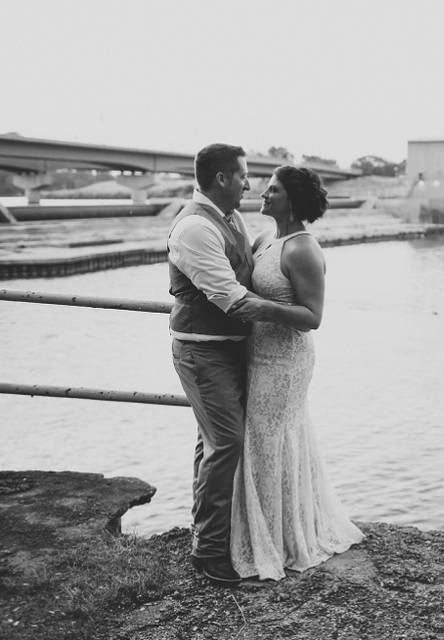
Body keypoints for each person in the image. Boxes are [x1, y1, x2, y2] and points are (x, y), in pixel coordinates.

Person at [228, 165, 364, 581]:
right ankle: (265, 531)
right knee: (260, 441)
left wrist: (263, 308)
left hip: (285, 361)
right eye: (266, 188)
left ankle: (284, 541)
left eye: (273, 190)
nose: (264, 195)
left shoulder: (303, 249)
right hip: (257, 353)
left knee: (271, 441)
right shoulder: (267, 238)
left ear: (293, 199)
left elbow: (313, 317)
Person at [168, 143, 257, 585]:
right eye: (243, 175)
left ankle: (207, 533)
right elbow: (230, 297)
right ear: (222, 178)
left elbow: (247, 269)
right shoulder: (194, 229)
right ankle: (208, 551)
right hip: (202, 351)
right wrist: (298, 317)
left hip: (229, 348)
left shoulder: (233, 218)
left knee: (214, 443)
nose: (248, 183)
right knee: (226, 443)